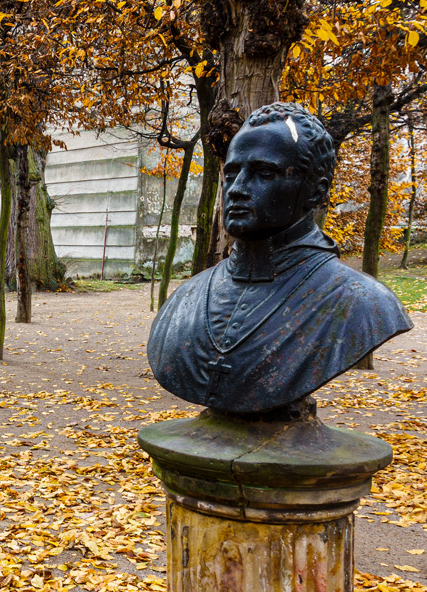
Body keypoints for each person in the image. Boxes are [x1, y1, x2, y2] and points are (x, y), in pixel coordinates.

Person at [149, 102, 413, 414]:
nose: (237, 189)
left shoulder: (363, 303)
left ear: (316, 190)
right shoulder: (186, 298)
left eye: (264, 172)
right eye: (231, 173)